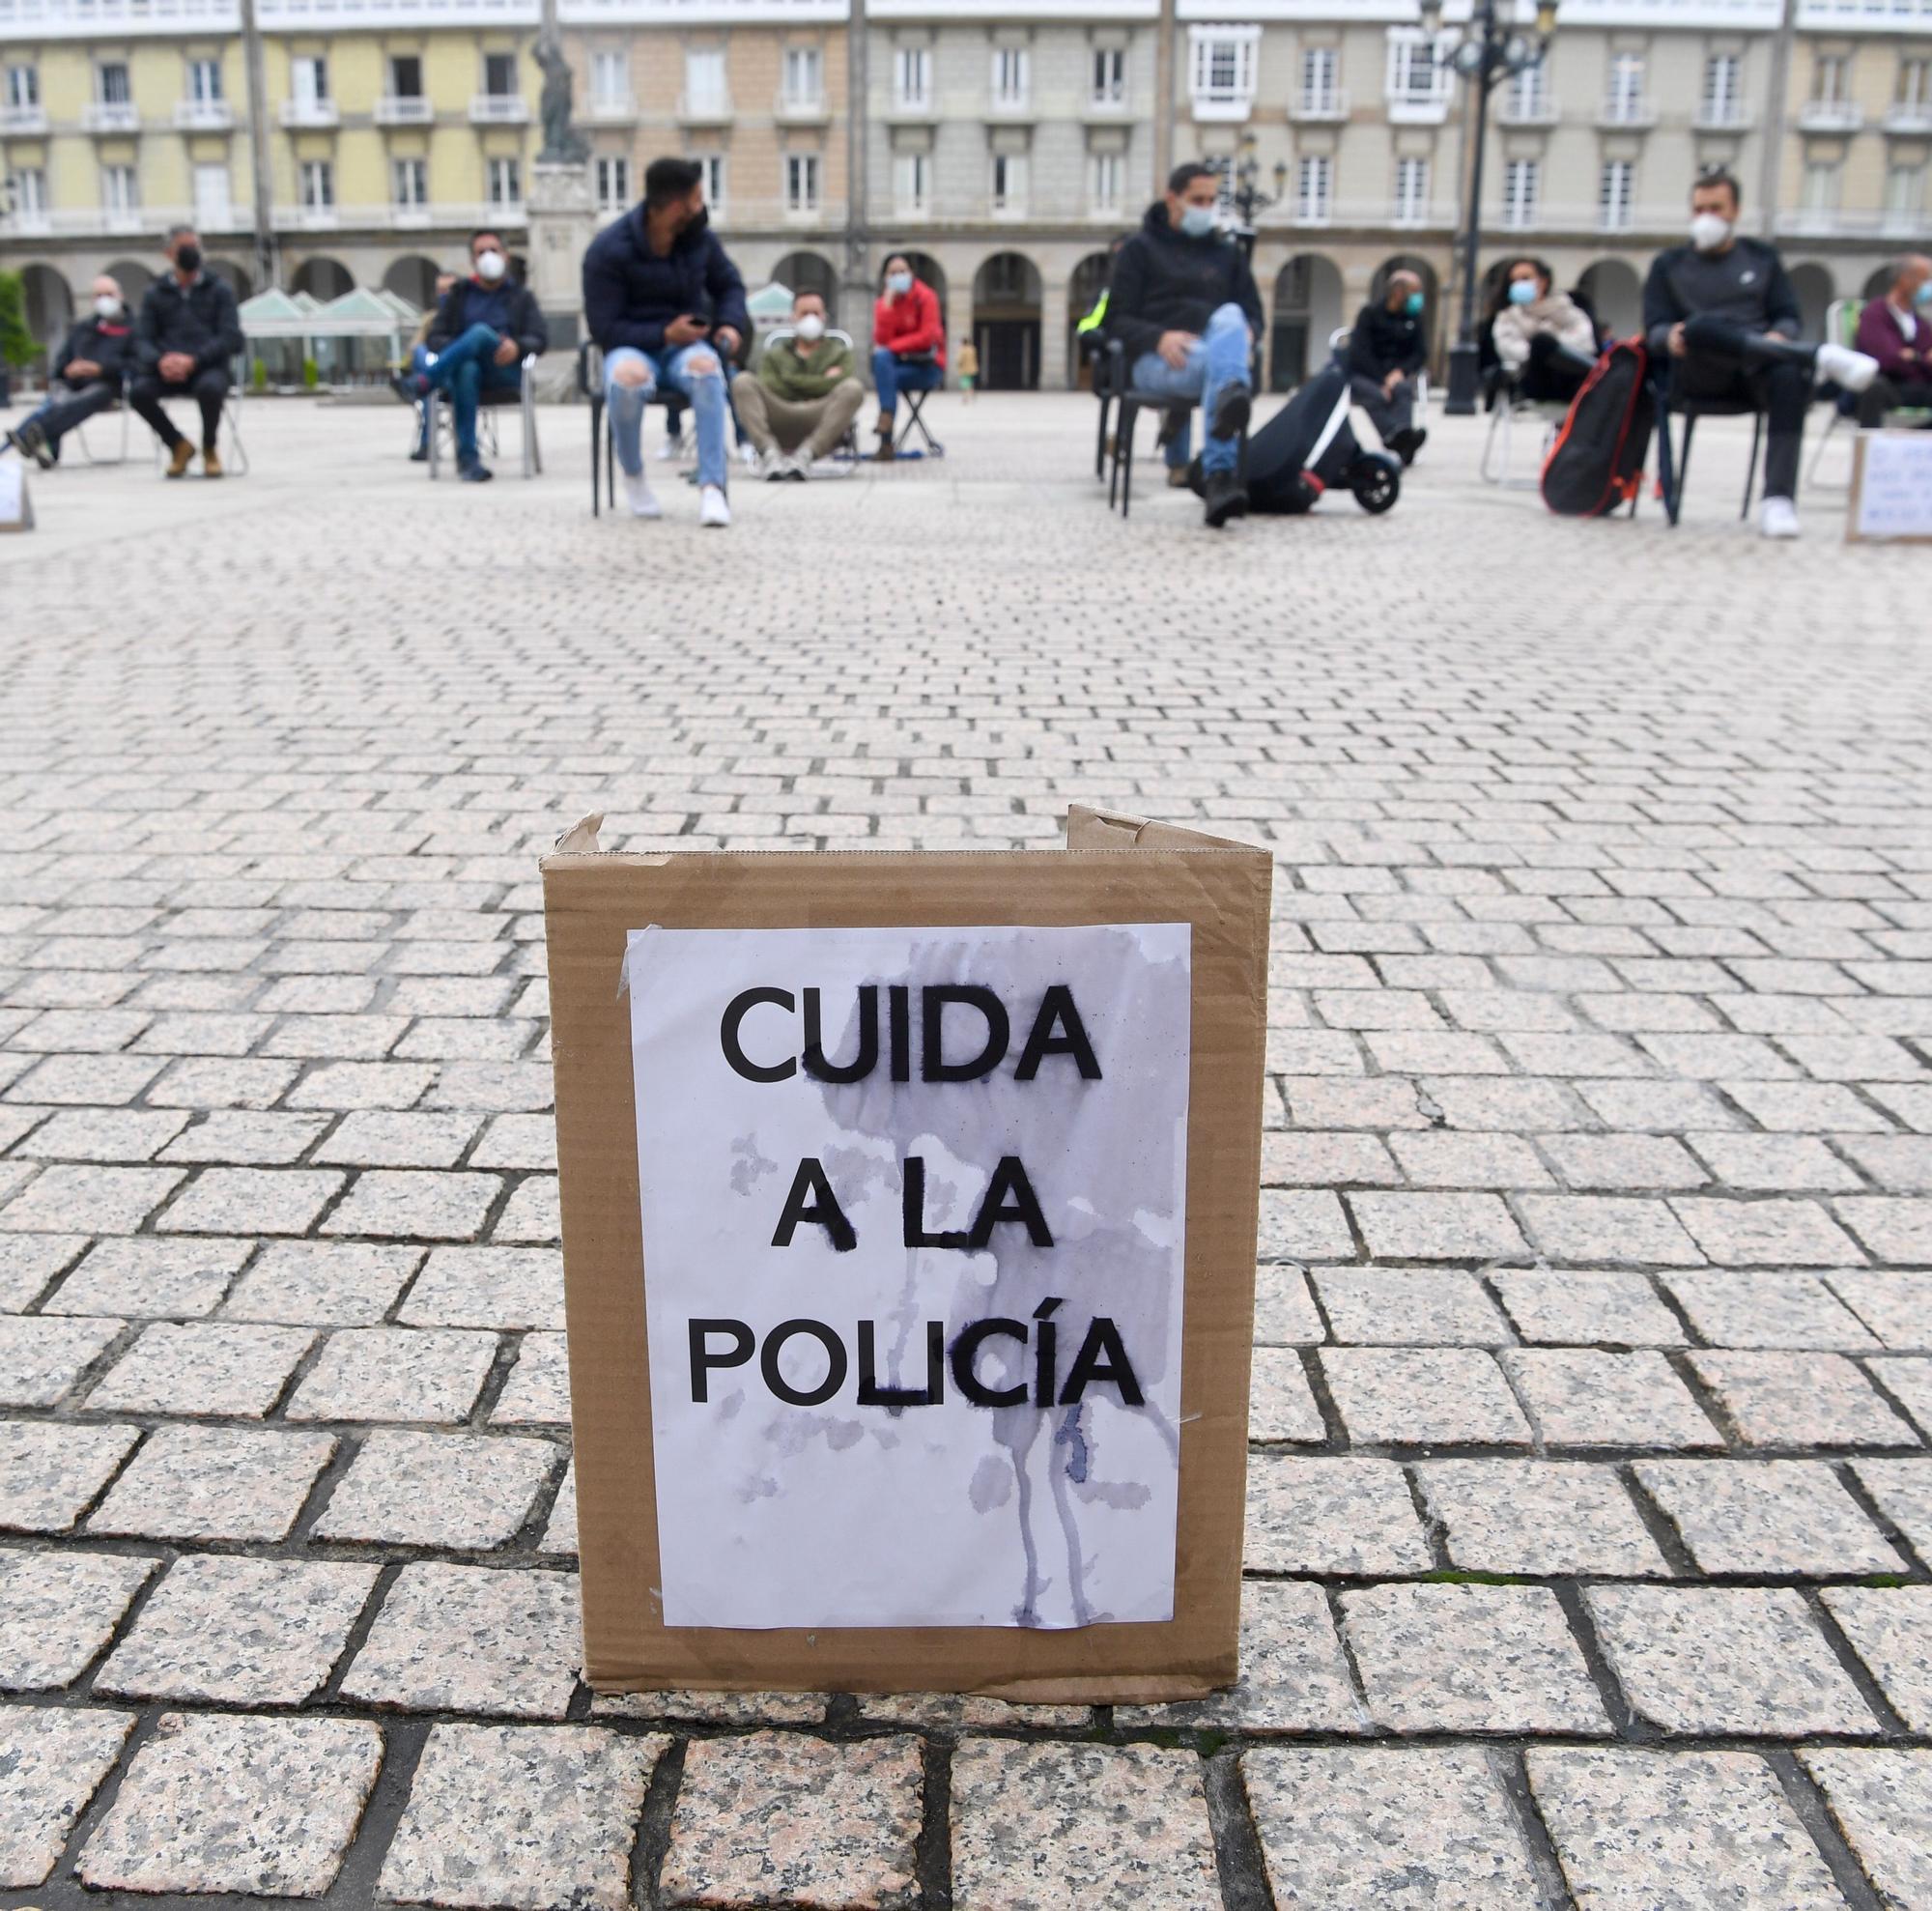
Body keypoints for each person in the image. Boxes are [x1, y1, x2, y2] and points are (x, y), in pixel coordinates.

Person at [1644, 168, 1877, 538]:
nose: (1706, 217)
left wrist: (1780, 335)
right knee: (1700, 327)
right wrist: (1667, 336)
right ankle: (1816, 356)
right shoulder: (1668, 264)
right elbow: (1653, 327)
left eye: (1716, 208)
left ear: (1735, 210)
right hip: (1698, 370)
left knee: (1787, 376)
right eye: (1699, 208)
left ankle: (1778, 500)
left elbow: (1788, 315)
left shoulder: (1763, 258)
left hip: (1758, 373)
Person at [582, 155, 748, 528]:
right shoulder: (608, 250)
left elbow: (730, 285)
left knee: (708, 371)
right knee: (626, 379)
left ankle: (712, 488)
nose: (701, 207)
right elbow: (604, 328)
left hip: (686, 347)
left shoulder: (699, 241)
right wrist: (662, 333)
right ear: (677, 207)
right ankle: (634, 475)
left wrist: (730, 324)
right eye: (696, 199)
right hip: (631, 344)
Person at [1105, 161, 1264, 528]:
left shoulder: (1228, 254)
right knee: (1226, 372)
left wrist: (1248, 331)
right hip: (1159, 361)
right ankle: (1220, 474)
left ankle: (1219, 474)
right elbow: (1116, 320)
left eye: (1211, 200)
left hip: (1213, 350)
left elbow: (1254, 313)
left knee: (1230, 317)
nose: (1205, 208)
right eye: (1198, 199)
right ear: (1172, 199)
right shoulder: (1138, 251)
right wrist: (1157, 337)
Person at [419, 233, 548, 484]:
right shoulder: (459, 295)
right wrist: (464, 347)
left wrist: (517, 346)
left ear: (505, 255)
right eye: (481, 252)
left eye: (494, 249)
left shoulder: (522, 297)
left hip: (506, 370)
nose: (488, 256)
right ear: (472, 260)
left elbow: (540, 339)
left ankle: (425, 381)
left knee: (479, 333)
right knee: (467, 366)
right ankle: (468, 461)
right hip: (468, 373)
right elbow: (434, 337)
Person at [130, 226, 242, 479]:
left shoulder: (220, 290)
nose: (192, 253)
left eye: (196, 247)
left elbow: (231, 337)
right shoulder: (154, 293)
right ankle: (178, 445)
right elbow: (141, 339)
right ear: (169, 254)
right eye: (185, 248)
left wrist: (194, 360)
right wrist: (161, 361)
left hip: (207, 367)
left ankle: (209, 447)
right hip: (166, 369)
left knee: (210, 389)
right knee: (138, 393)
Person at [4, 275, 133, 468]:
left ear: (120, 296)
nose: (104, 299)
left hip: (109, 384)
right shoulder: (83, 328)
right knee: (58, 397)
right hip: (74, 382)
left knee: (77, 400)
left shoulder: (134, 328)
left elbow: (136, 362)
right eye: (98, 295)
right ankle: (41, 445)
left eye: (109, 294)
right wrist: (68, 369)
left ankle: (30, 436)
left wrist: (99, 368)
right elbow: (62, 360)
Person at [732, 289, 864, 478]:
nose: (810, 319)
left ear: (824, 316)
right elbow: (771, 385)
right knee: (742, 381)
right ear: (793, 317)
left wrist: (789, 379)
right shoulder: (774, 354)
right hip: (780, 414)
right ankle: (770, 455)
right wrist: (824, 381)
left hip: (822, 416)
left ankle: (806, 455)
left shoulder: (840, 353)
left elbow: (843, 383)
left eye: (815, 313)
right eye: (804, 313)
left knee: (853, 388)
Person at [1490, 257, 1598, 406]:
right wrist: (1541, 346)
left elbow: (1584, 341)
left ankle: (1600, 375)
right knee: (1541, 341)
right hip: (1535, 379)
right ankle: (1601, 373)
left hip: (1571, 377)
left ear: (1543, 281)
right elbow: (1510, 349)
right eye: (1513, 280)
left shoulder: (1566, 309)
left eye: (1525, 278)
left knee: (1546, 342)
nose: (1519, 284)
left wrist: (1553, 344)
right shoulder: (1507, 317)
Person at [1347, 270, 1429, 465]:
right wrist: (1381, 380)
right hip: (1367, 375)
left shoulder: (1413, 319)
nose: (1418, 298)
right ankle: (1397, 438)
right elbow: (1360, 353)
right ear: (1398, 292)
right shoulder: (1370, 314)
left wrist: (1400, 372)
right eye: (1414, 292)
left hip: (1397, 375)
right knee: (1374, 395)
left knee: (1403, 390)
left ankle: (1403, 440)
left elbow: (1420, 353)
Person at [871, 254, 945, 459]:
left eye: (902, 271)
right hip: (897, 367)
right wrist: (886, 306)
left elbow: (927, 336)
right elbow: (881, 337)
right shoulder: (883, 303)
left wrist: (892, 347)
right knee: (883, 363)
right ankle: (886, 425)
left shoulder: (926, 297)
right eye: (892, 273)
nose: (898, 276)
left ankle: (886, 440)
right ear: (885, 277)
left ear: (911, 273)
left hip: (927, 367)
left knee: (884, 363)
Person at [1852, 255, 1932, 429]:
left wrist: (1913, 357)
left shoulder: (1920, 323)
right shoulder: (1875, 313)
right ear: (1904, 280)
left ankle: (1914, 439)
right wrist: (1921, 358)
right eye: (1926, 279)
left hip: (1918, 387)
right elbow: (1887, 359)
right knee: (1874, 387)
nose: (1929, 286)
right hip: (1887, 387)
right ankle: (1869, 447)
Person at [394, 270, 459, 462]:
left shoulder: (467, 317)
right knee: (420, 351)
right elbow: (416, 348)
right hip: (436, 375)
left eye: (449, 290)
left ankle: (420, 382)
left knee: (429, 388)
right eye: (441, 291)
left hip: (458, 377)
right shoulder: (431, 319)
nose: (444, 295)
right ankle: (426, 380)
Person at [955, 335, 980, 404]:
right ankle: (972, 394)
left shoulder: (962, 350)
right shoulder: (972, 349)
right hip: (972, 369)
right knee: (970, 383)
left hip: (965, 369)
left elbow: (959, 360)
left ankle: (965, 398)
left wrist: (958, 364)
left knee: (965, 384)